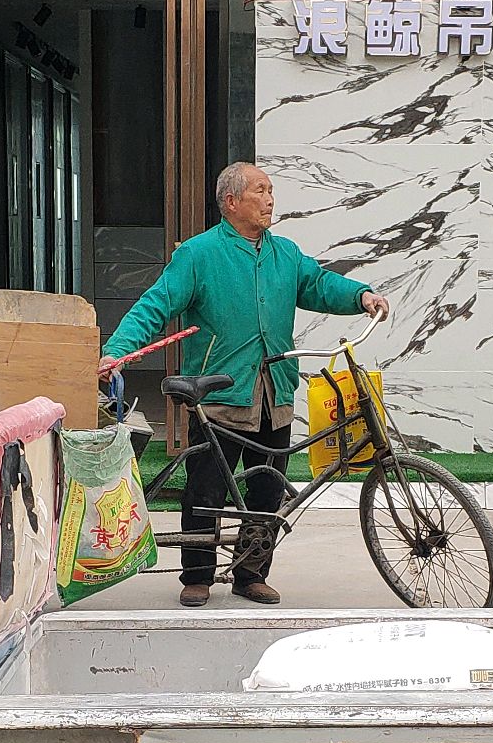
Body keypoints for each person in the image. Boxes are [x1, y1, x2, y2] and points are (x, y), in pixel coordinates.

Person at [99, 162, 389, 608]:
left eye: (271, 190)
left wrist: (360, 296)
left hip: (274, 391)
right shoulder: (198, 254)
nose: (270, 199)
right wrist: (117, 350)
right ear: (231, 201)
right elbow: (154, 305)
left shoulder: (285, 254)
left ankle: (250, 573)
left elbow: (320, 284)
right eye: (260, 191)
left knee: (268, 488)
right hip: (221, 394)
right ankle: (197, 575)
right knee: (207, 488)